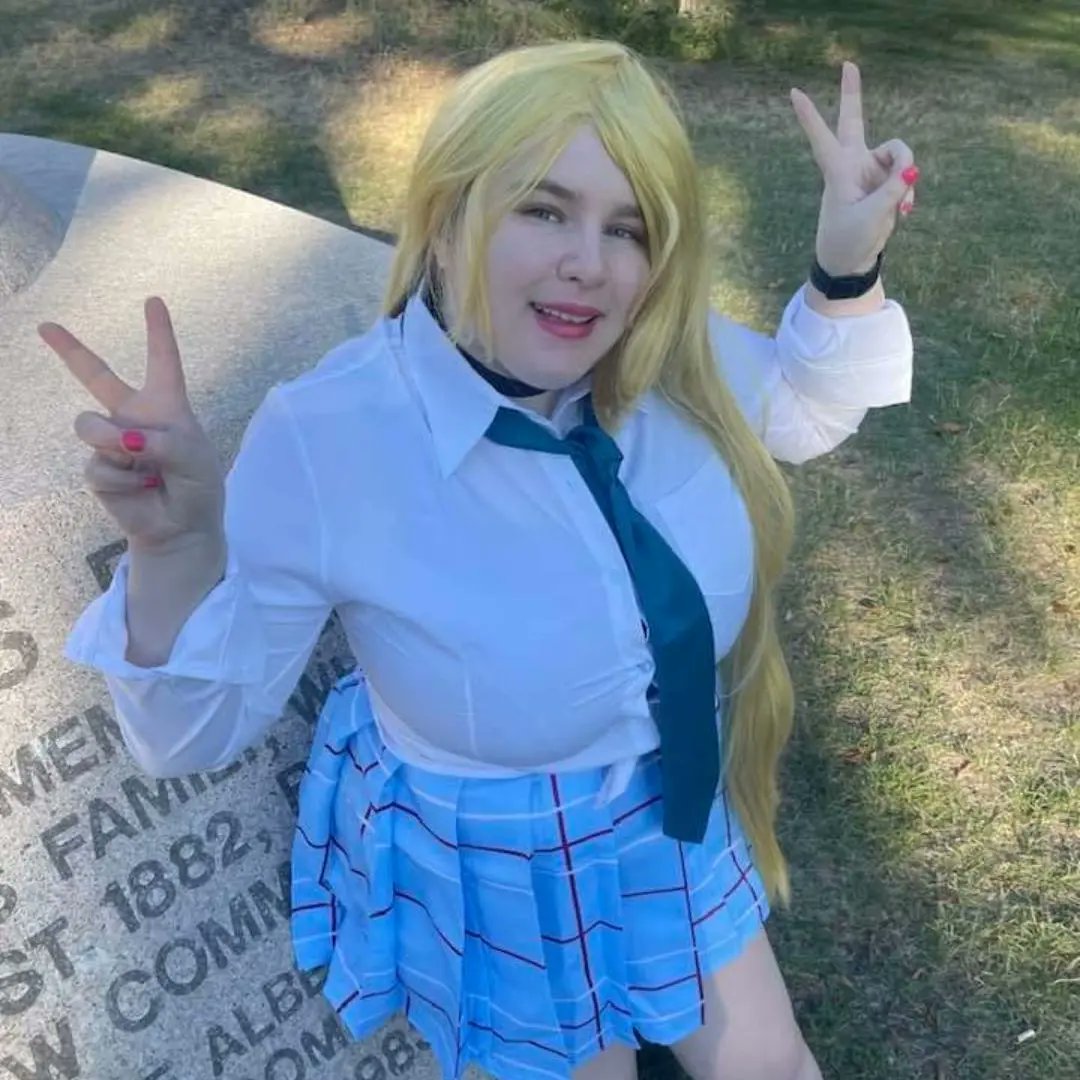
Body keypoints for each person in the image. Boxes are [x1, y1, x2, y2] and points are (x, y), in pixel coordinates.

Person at [44, 40, 915, 1080]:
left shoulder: (667, 357)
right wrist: (177, 548)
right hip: (501, 859)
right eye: (544, 210)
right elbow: (194, 733)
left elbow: (804, 408)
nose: (589, 263)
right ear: (448, 216)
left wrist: (846, 266)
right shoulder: (331, 437)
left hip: (671, 804)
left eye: (627, 228)